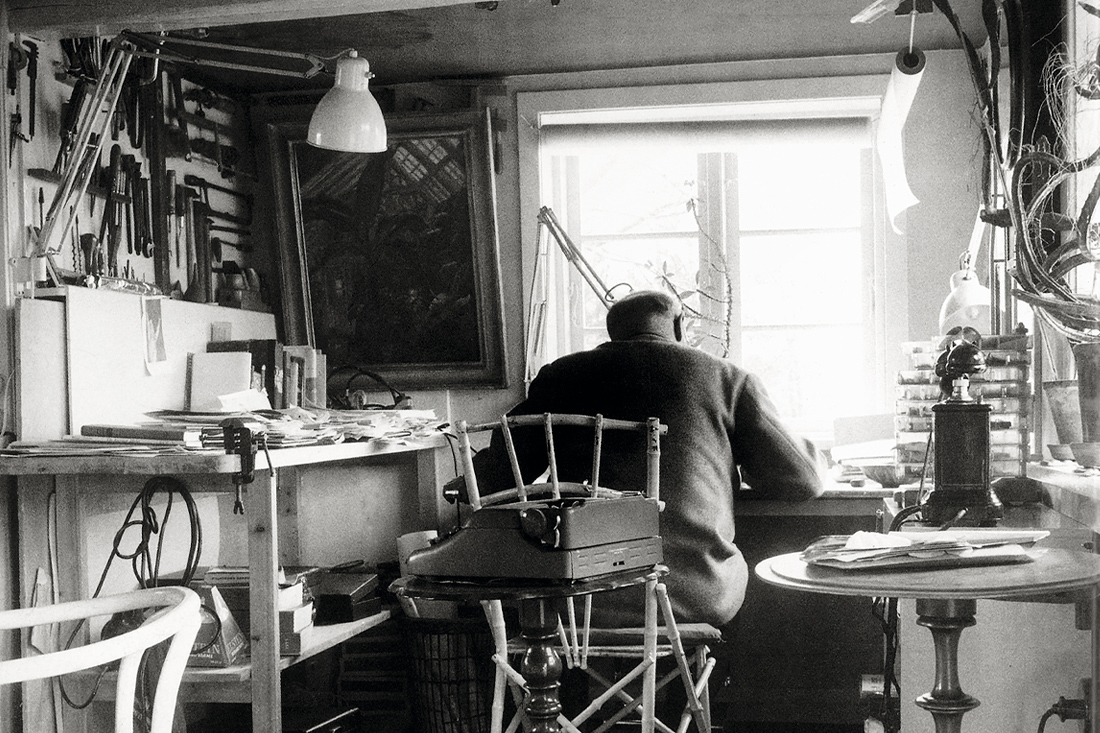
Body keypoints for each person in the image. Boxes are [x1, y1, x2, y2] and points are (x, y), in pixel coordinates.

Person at [470, 289, 826, 631]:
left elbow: (497, 479)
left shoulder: (560, 377)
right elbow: (803, 480)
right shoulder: (727, 379)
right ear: (679, 326)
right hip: (693, 594)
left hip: (579, 596)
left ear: (612, 334)